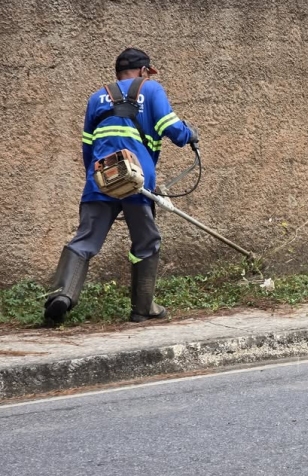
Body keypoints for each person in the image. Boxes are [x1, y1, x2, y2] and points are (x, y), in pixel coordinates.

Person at [43, 48, 198, 325]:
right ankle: (143, 308)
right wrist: (189, 134)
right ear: (143, 71)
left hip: (100, 179)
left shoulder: (95, 97)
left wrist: (97, 180)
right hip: (136, 182)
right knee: (146, 241)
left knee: (85, 240)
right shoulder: (151, 90)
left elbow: (87, 148)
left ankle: (61, 296)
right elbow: (172, 129)